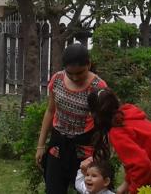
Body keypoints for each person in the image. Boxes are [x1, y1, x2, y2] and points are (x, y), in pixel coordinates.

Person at [36, 43, 107, 194]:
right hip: (57, 147)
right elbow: (50, 111)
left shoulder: (98, 87)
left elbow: (103, 124)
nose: (75, 77)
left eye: (80, 73)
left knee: (88, 190)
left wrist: (98, 156)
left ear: (89, 64)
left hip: (85, 151)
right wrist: (41, 146)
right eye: (70, 73)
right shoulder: (57, 79)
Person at [87, 88, 151, 194]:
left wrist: (133, 191)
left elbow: (142, 166)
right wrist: (126, 184)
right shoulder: (128, 116)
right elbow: (135, 162)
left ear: (97, 114)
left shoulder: (118, 132)